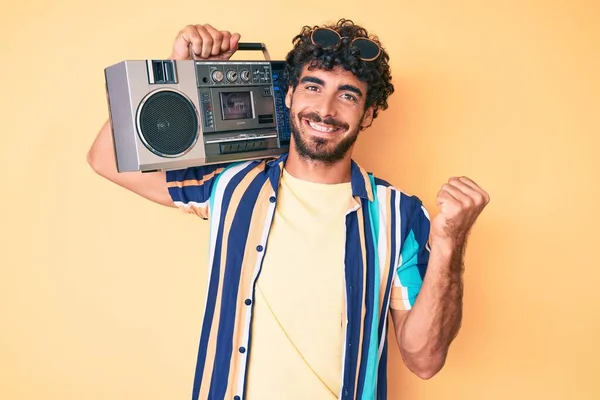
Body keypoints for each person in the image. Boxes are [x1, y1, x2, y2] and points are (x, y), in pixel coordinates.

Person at [87, 19, 490, 400]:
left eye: (347, 95)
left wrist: (449, 244)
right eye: (313, 87)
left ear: (368, 114)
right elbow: (105, 158)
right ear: (289, 95)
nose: (326, 109)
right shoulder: (232, 184)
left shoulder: (398, 215)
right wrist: (179, 72)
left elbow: (424, 360)